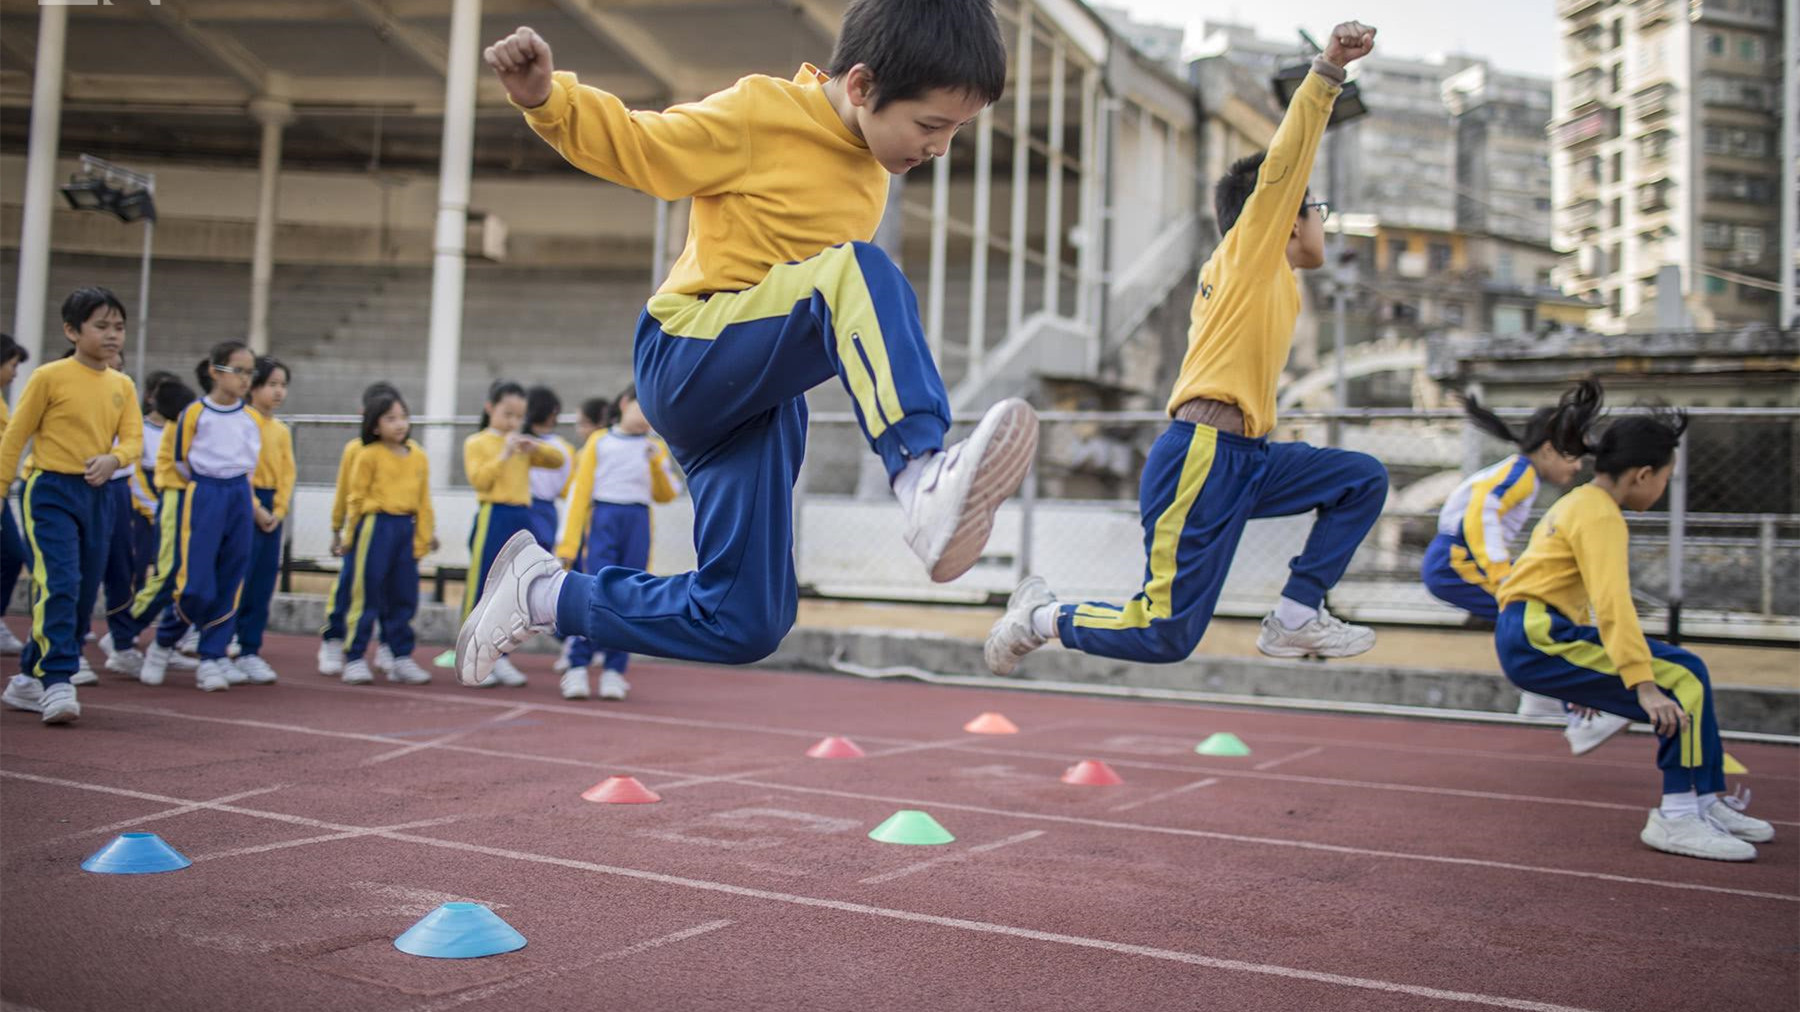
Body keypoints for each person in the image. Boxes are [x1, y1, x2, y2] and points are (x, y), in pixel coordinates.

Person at [458, 1, 1038, 685]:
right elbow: (648, 148)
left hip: (756, 399)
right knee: (859, 272)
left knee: (745, 616)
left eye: (957, 131)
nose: (939, 147)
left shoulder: (874, 167)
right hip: (687, 351)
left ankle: (543, 593)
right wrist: (549, 100)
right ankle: (919, 472)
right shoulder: (763, 112)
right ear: (860, 86)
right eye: (931, 125)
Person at [985, 21, 1386, 677]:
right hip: (1203, 455)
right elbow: (1284, 166)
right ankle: (1038, 617)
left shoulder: (1267, 278)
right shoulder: (1251, 254)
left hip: (1247, 459)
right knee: (1166, 636)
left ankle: (1294, 617)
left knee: (1359, 479)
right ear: (1285, 215)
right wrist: (1329, 72)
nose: (1324, 223)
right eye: (1318, 209)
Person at [1495, 408, 1774, 861]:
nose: (1664, 489)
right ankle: (1678, 815)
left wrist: (1592, 665)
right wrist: (1641, 684)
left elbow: (1565, 589)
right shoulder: (1601, 514)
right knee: (1677, 680)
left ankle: (1703, 801)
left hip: (1535, 631)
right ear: (1643, 474)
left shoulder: (1579, 501)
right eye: (1666, 478)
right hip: (1539, 635)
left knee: (1688, 668)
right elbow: (1613, 604)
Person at [1424, 380, 1627, 751]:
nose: (1579, 465)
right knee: (1543, 622)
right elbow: (1480, 512)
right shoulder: (1519, 474)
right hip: (1456, 562)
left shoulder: (1522, 476)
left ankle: (1541, 699)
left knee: (1529, 623)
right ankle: (1574, 709)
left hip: (1458, 561)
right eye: (1574, 455)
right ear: (1549, 450)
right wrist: (1502, 573)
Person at [0, 288, 142, 725]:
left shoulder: (122, 384)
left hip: (98, 496)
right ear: (71, 330)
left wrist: (113, 458)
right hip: (49, 492)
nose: (112, 335)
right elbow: (15, 436)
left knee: (82, 592)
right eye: (101, 326)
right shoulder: (48, 376)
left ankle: (26, 679)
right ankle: (58, 678)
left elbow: (134, 440)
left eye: (118, 326)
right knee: (59, 581)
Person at [128, 342, 262, 691]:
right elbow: (180, 460)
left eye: (251, 373)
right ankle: (163, 643)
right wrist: (206, 487)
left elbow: (250, 464)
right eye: (239, 371)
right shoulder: (193, 413)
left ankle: (212, 656)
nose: (246, 379)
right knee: (195, 583)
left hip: (239, 494)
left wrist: (240, 496)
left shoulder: (251, 419)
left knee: (231, 577)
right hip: (203, 493)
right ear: (215, 372)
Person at [554, 386, 680, 701]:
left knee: (629, 593)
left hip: (637, 521)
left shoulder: (655, 447)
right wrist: (567, 547)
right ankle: (577, 665)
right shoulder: (600, 441)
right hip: (603, 519)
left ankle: (614, 669)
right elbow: (578, 495)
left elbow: (667, 494)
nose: (648, 416)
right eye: (643, 407)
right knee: (594, 589)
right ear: (624, 403)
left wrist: (655, 464)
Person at [462, 379, 565, 687]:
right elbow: (480, 481)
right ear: (490, 408)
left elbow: (557, 460)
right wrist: (504, 454)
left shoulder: (522, 444)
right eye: (507, 414)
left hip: (522, 516)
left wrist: (535, 446)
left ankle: (499, 658)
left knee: (511, 590)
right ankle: (472, 658)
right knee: (483, 586)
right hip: (494, 514)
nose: (513, 422)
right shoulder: (477, 442)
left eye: (519, 416)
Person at [338, 389, 436, 687]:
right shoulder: (368, 455)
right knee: (367, 593)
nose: (399, 424)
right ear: (374, 424)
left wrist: (424, 536)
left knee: (404, 594)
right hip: (375, 526)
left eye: (403, 417)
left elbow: (423, 500)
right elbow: (355, 497)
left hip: (405, 528)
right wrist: (348, 533)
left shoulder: (417, 455)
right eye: (390, 418)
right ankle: (354, 657)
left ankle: (400, 656)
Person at [102, 378, 198, 678]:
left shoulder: (184, 428)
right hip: (168, 505)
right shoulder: (170, 432)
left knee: (185, 577)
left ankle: (164, 641)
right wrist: (150, 509)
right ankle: (122, 632)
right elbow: (145, 476)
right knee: (167, 574)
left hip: (187, 503)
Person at [318, 381, 401, 677]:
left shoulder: (405, 453)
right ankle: (333, 639)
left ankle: (387, 646)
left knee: (389, 593)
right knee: (348, 589)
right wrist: (337, 529)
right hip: (361, 531)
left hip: (391, 534)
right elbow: (345, 492)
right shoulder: (356, 450)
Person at [233, 356, 295, 684]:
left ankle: (249, 649)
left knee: (261, 582)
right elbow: (240, 469)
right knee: (236, 579)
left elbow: (287, 474)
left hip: (271, 508)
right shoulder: (242, 420)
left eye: (283, 385)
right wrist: (254, 506)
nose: (278, 391)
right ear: (253, 386)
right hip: (244, 502)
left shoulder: (281, 431)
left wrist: (278, 511)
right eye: (271, 384)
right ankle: (223, 643)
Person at [0, 333, 29, 656]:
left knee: (12, 554)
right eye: (11, 365)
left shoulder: (2, 401)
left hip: (3, 489)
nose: (15, 372)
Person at [524, 385, 573, 552]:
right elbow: (566, 487)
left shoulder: (518, 442)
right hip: (546, 508)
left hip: (535, 507)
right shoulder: (564, 447)